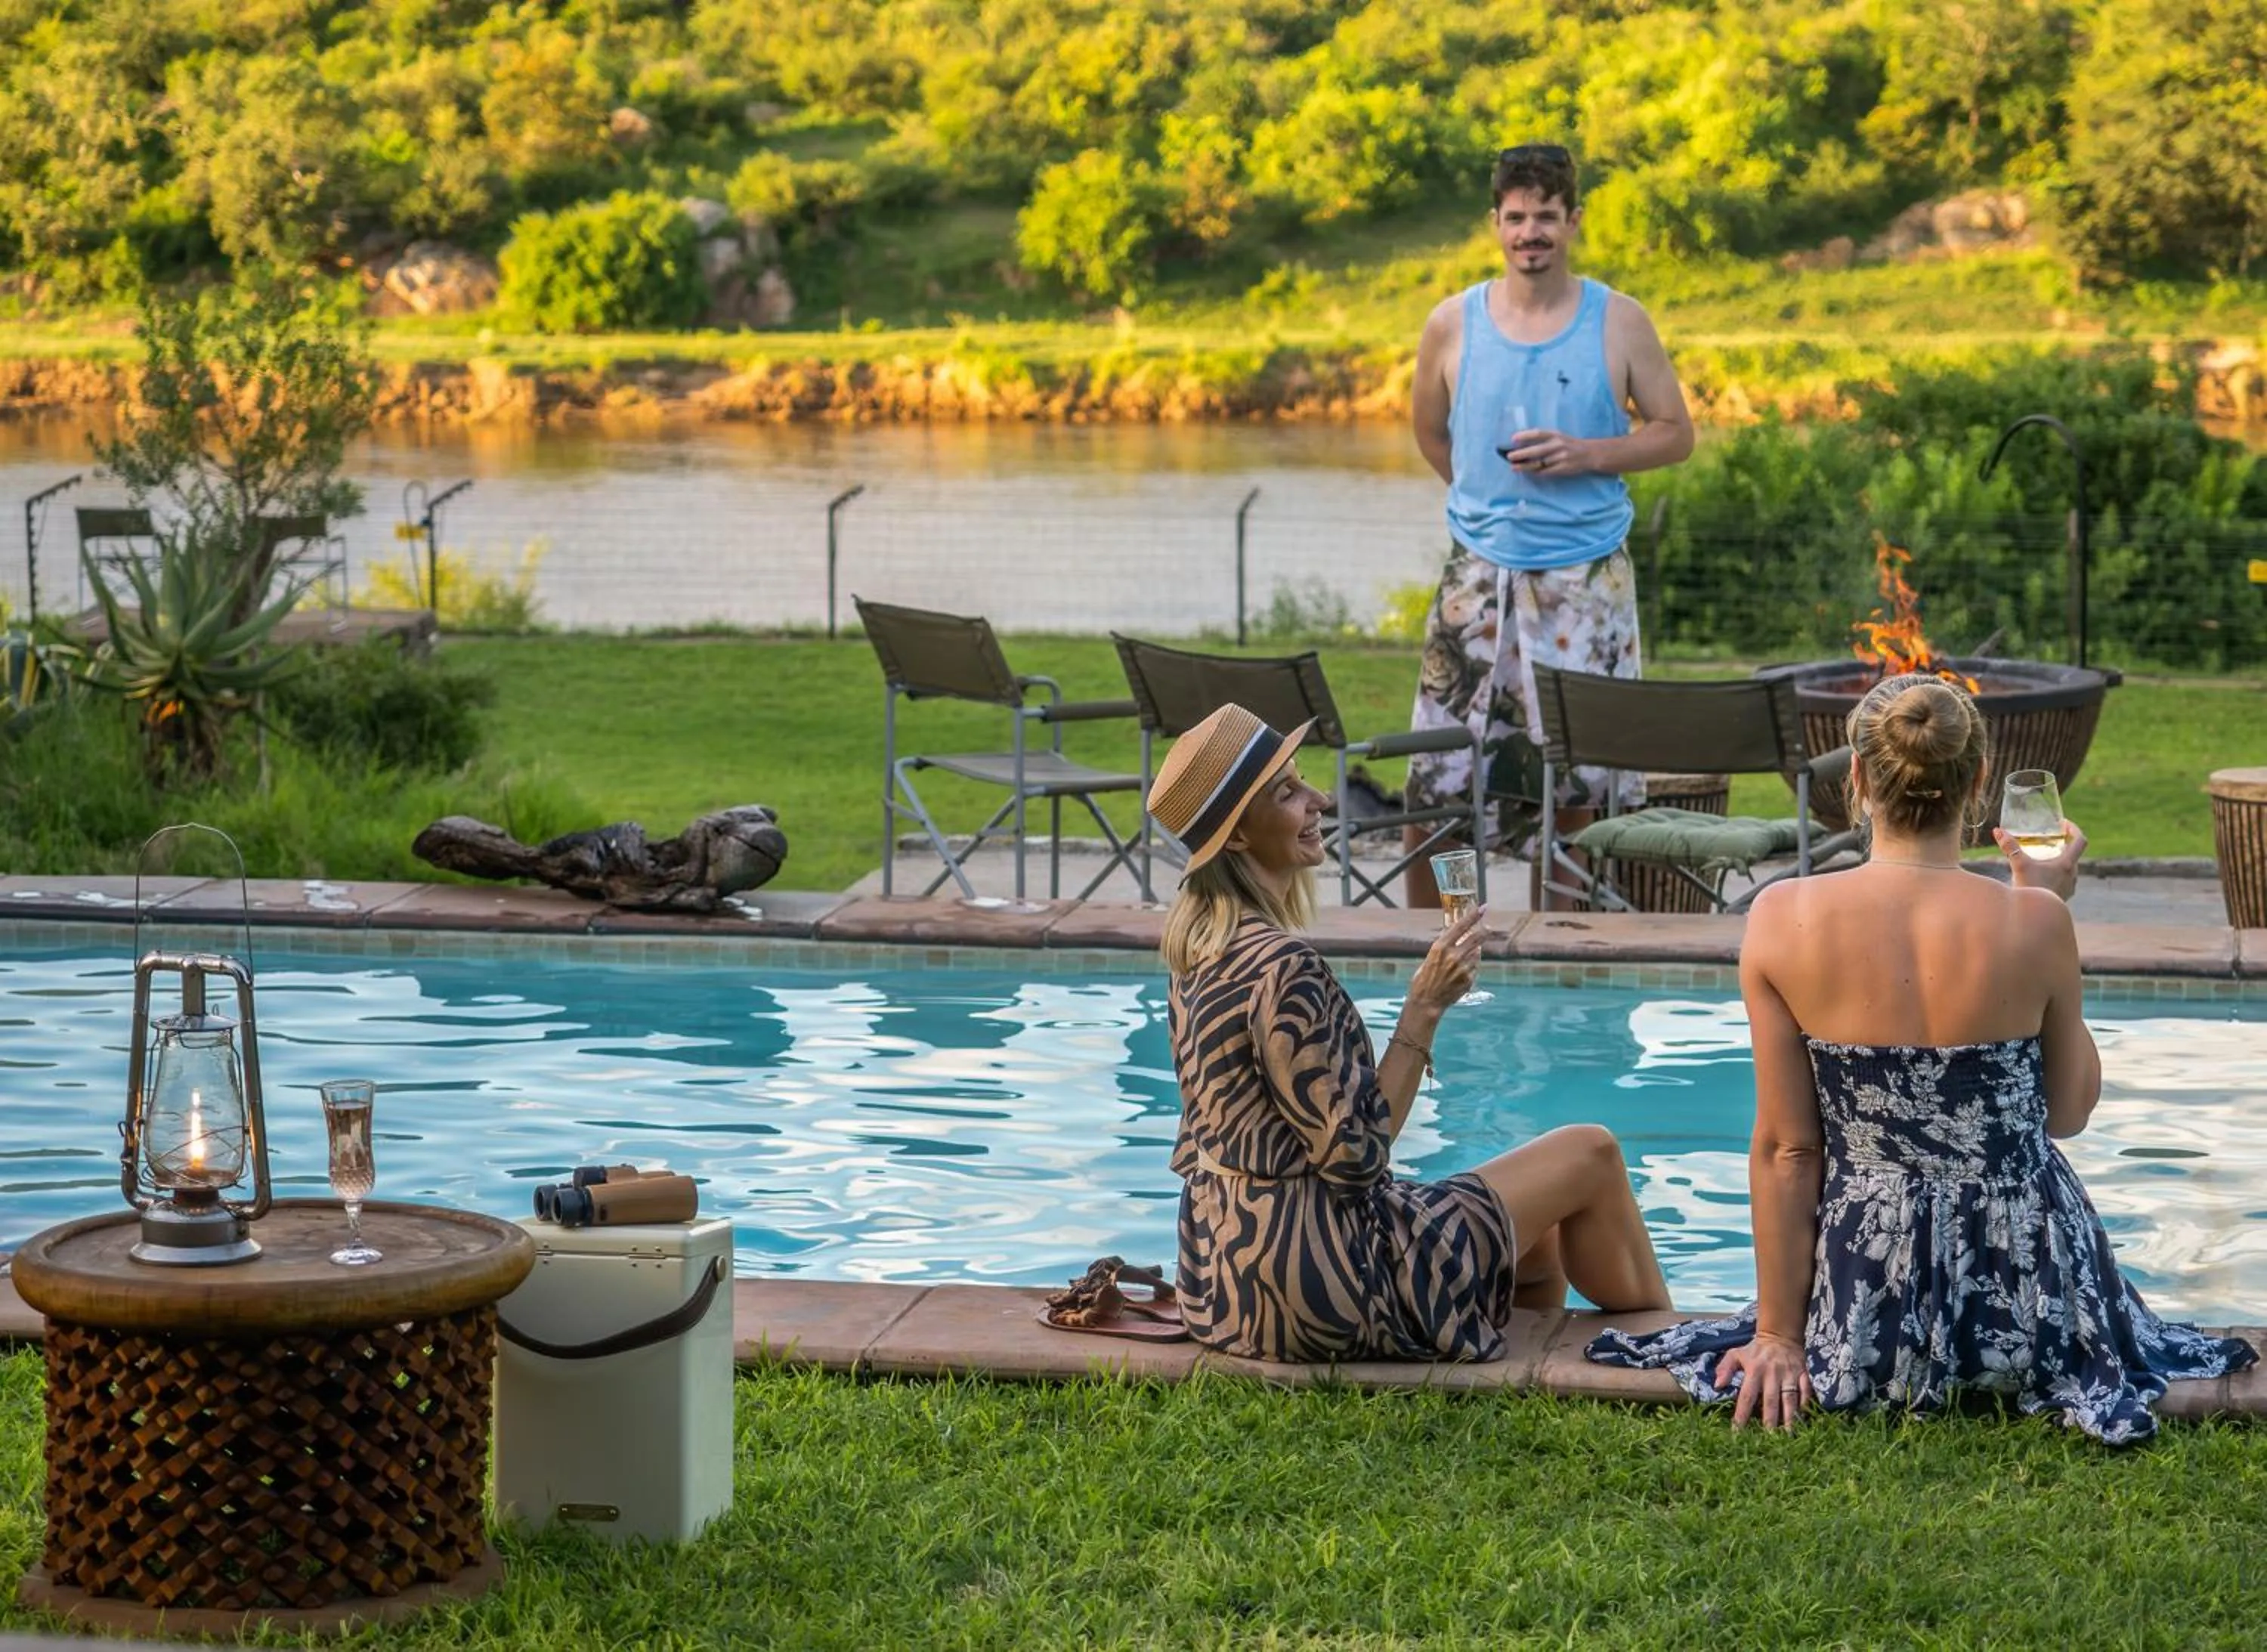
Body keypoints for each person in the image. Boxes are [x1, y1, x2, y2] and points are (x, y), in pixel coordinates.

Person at [1586, 675, 2257, 1443]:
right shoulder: (2036, 921)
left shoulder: (1782, 917)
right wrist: (2047, 903)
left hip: (1870, 1299)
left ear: (1860, 779)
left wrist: (1778, 1334)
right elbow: (2069, 1114)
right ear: (1976, 783)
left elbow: (1788, 1147)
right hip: (2031, 1296)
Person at [1150, 702, 1670, 1363]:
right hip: (1317, 1285)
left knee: (1531, 1238)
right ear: (1243, 837)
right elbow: (1359, 1160)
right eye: (1287, 792)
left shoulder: (1197, 951)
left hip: (1222, 1278)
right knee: (1589, 1152)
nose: (1319, 799)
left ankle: (1521, 1372)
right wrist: (1423, 1009)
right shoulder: (1284, 968)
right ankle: (1670, 1348)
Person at [1403, 142, 1695, 907]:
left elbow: (1675, 432)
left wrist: (1588, 454)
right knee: (1444, 783)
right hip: (1476, 583)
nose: (1531, 232)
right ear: (1495, 222)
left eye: (1547, 218)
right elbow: (1432, 434)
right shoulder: (1450, 322)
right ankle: (1445, 943)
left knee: (1574, 789)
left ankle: (1558, 957)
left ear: (1574, 222)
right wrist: (1486, 510)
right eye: (1517, 217)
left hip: (1587, 584)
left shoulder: (1620, 320)